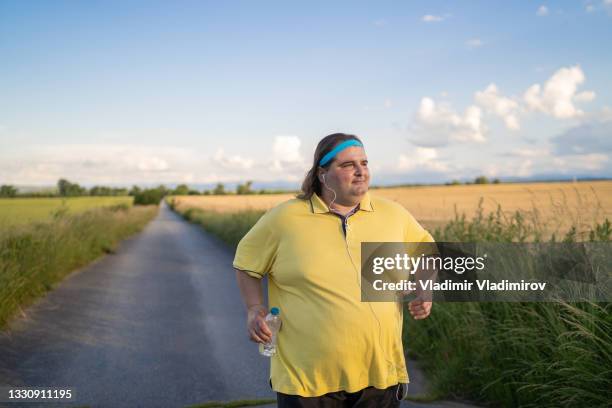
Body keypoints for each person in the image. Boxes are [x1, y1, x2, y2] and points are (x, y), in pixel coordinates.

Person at [233, 133, 434, 408]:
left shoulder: (393, 214)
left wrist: (425, 289)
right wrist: (254, 307)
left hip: (380, 377)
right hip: (306, 381)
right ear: (323, 174)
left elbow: (426, 250)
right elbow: (246, 263)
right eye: (348, 164)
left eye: (364, 162)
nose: (361, 171)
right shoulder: (284, 219)